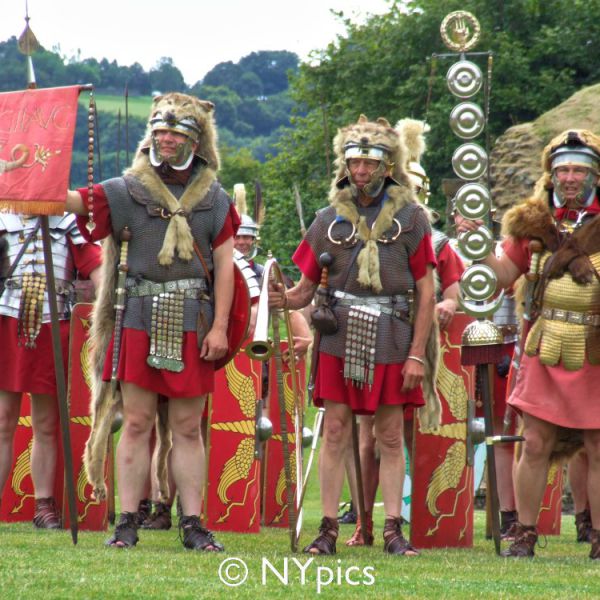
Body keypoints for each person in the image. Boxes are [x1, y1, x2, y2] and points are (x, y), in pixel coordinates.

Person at [65, 92, 239, 551]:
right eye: (159, 131)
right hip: (138, 315)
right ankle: (126, 521)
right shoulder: (126, 190)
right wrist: (28, 176)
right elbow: (74, 202)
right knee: (138, 422)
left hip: (192, 319)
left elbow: (225, 267)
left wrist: (220, 326)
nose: (164, 139)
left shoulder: (215, 199)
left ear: (195, 140)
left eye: (175, 132)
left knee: (186, 426)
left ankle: (193, 524)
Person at [270, 115, 439, 556]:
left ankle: (392, 529)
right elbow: (303, 291)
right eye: (355, 163)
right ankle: (327, 528)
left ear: (388, 166)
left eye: (370, 163)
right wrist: (277, 299)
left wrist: (417, 354)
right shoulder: (328, 219)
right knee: (336, 431)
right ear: (344, 165)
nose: (361, 171)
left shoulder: (412, 219)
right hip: (339, 334)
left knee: (387, 434)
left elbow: (425, 293)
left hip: (392, 334)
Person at [456, 129, 600, 559]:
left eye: (579, 169)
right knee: (534, 442)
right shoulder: (533, 223)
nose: (570, 178)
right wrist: (477, 242)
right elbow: (502, 275)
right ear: (550, 176)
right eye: (563, 170)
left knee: (597, 444)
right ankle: (524, 531)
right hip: (544, 344)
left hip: (595, 346)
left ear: (594, 175)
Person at [344, 118, 464, 547]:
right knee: (365, 436)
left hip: (416, 342)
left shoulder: (436, 240)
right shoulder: (357, 224)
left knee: (409, 434)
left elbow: (450, 292)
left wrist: (446, 306)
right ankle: (364, 520)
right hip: (365, 334)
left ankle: (417, 516)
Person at [0, 213, 102, 528]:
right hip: (7, 320)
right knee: (3, 420)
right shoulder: (3, 219)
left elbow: (98, 270)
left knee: (46, 422)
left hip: (54, 324)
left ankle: (43, 504)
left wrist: (106, 309)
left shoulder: (69, 222)